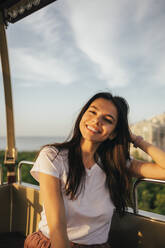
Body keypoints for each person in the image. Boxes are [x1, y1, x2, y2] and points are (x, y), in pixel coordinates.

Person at [24, 92, 165, 248]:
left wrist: (136, 139)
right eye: (92, 111)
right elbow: (57, 225)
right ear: (83, 114)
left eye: (107, 120)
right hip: (53, 243)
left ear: (114, 133)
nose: (96, 120)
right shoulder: (53, 156)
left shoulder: (117, 164)